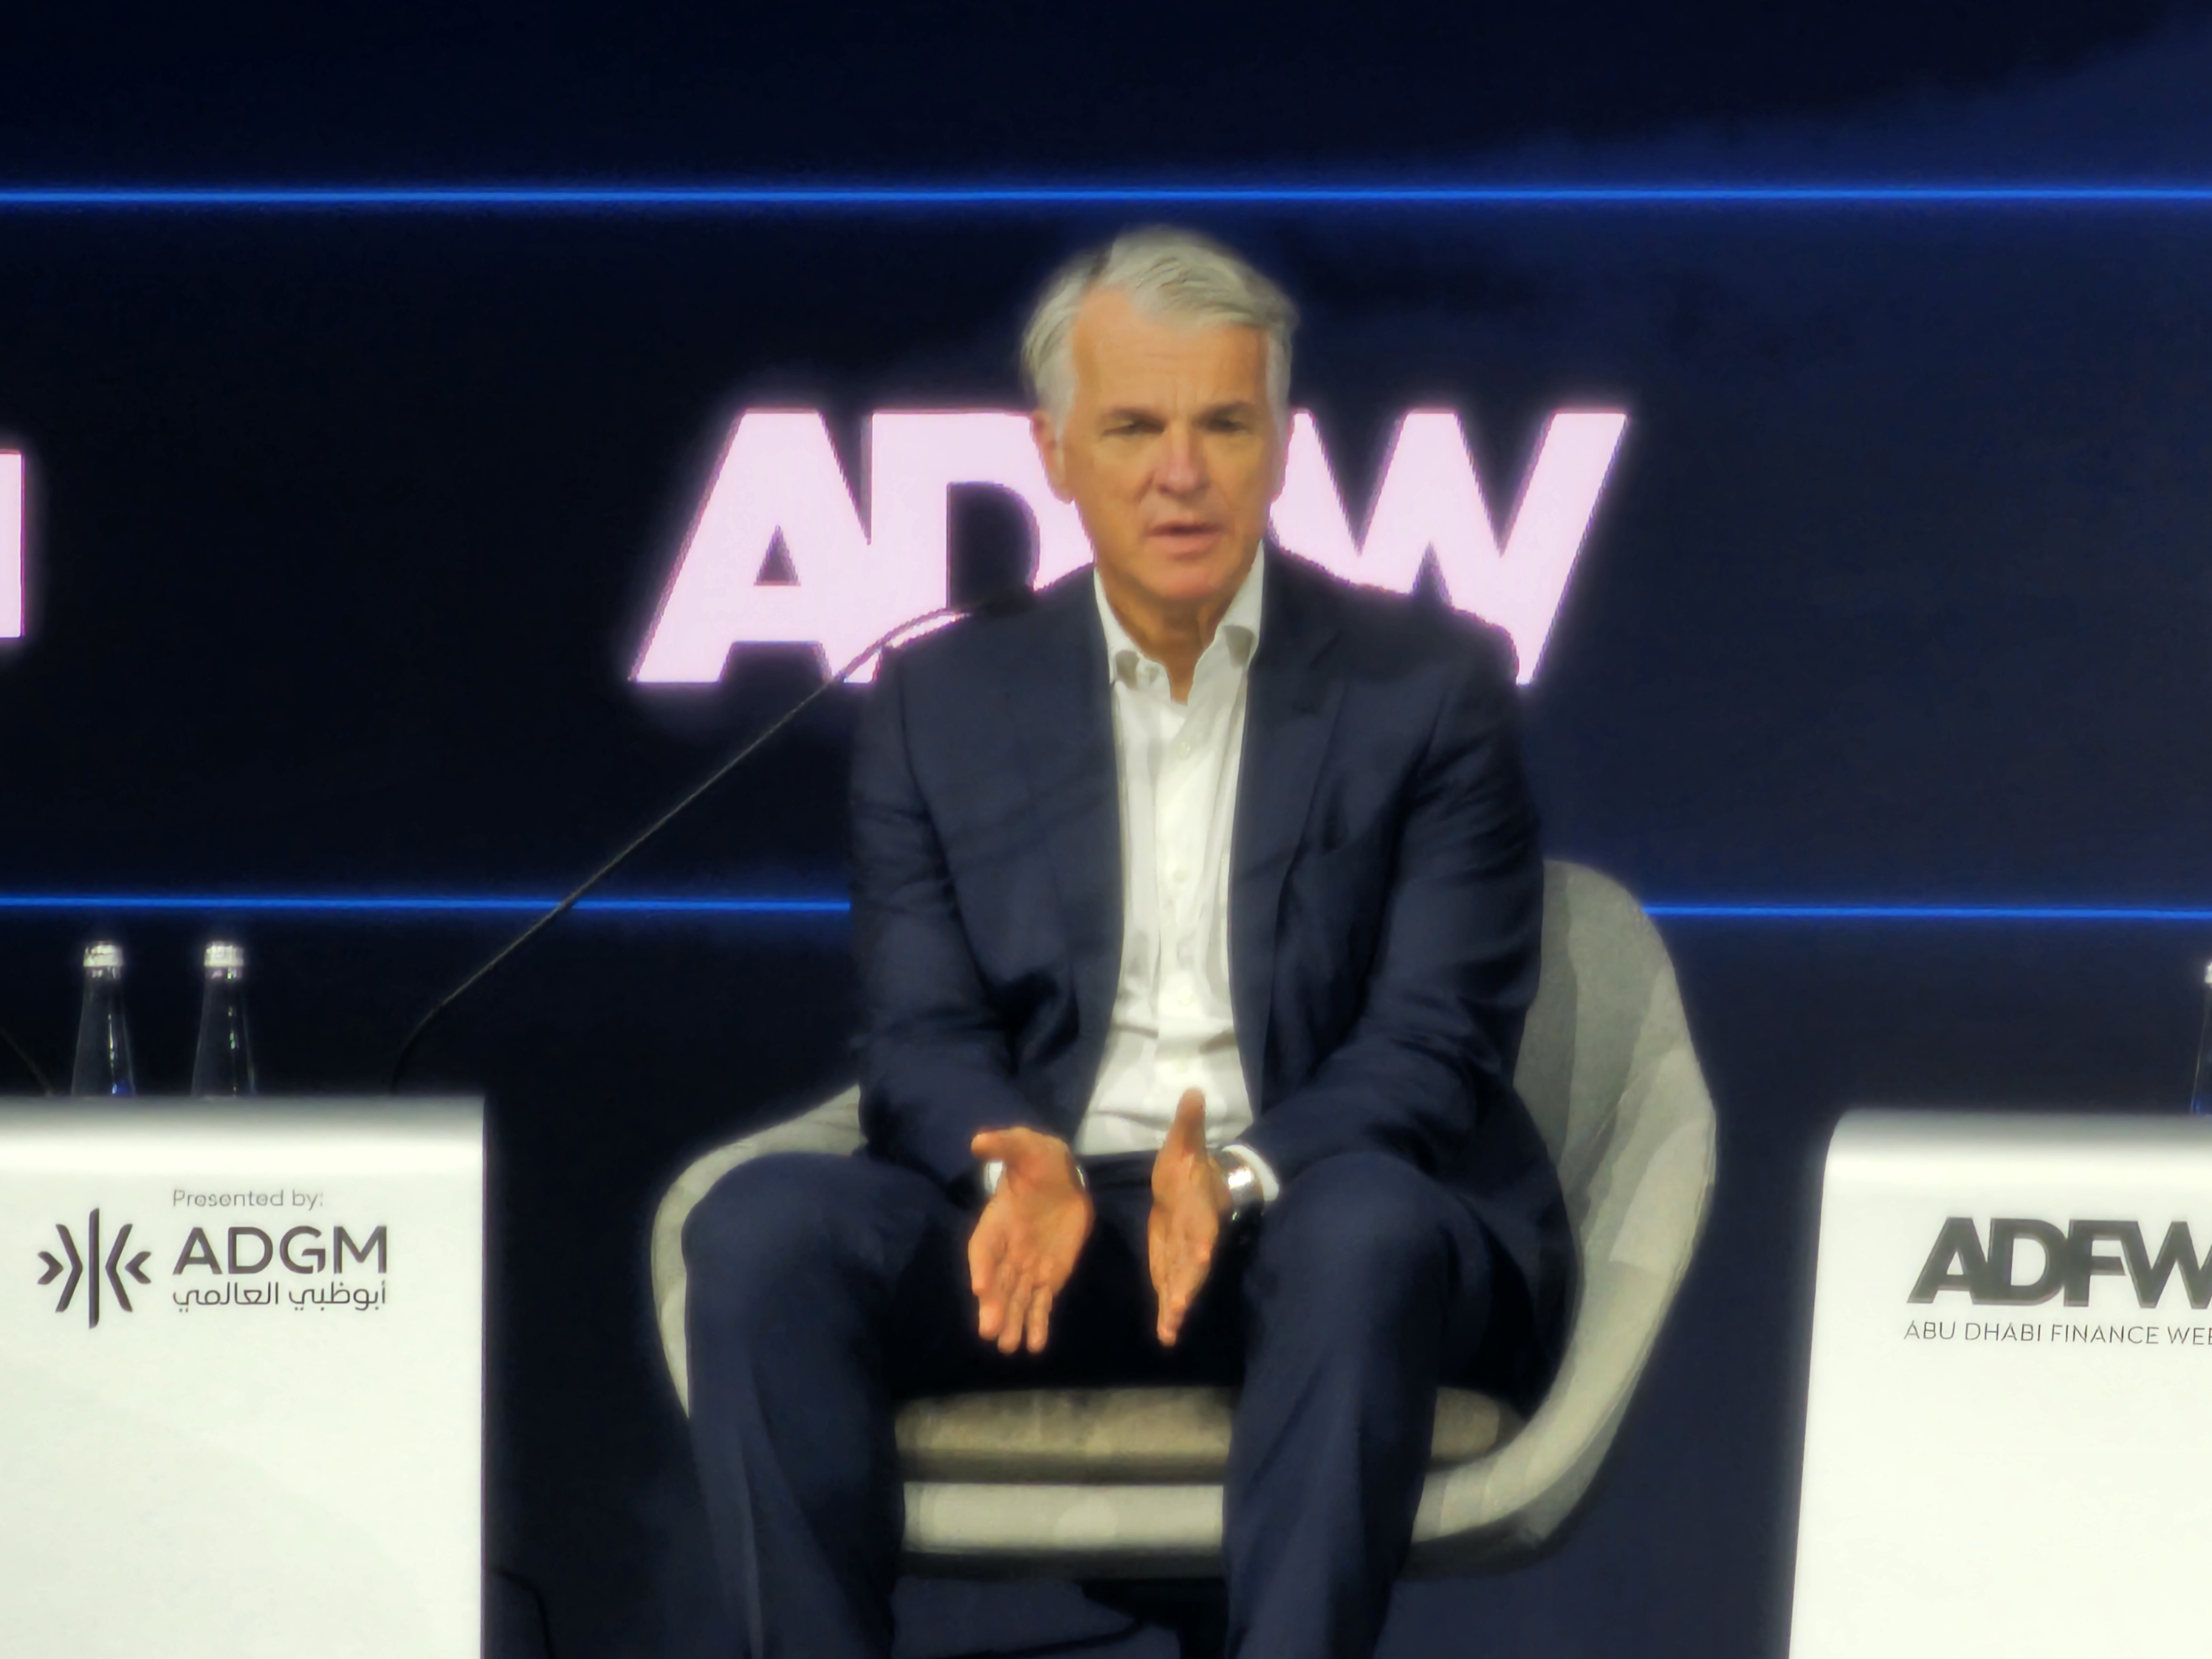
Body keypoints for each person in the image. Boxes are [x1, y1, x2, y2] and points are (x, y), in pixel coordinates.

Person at [683, 226, 1574, 1659]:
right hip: (1048, 1228)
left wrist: (1237, 1173)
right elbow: (921, 1039)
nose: (1182, 472)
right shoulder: (936, 702)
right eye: (1134, 427)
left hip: (1316, 1217)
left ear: (1282, 448)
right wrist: (1010, 1162)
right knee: (762, 1232)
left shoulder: (1427, 688)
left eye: (1224, 424)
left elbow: (1434, 1045)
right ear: (1053, 452)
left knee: (1361, 1228)